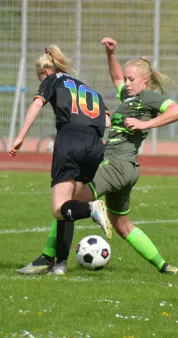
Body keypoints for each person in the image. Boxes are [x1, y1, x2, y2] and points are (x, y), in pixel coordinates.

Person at [23, 37, 178, 276]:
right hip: (128, 170)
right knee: (123, 226)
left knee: (67, 201)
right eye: (127, 79)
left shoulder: (147, 98)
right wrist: (111, 54)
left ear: (145, 81)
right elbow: (117, 77)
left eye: (132, 80)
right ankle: (164, 265)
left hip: (115, 165)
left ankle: (49, 258)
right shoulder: (129, 97)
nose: (127, 84)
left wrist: (146, 124)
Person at [8, 45, 114, 275]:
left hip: (70, 141)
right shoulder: (89, 89)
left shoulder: (53, 78)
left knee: (59, 209)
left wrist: (20, 137)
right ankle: (59, 265)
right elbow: (107, 122)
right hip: (95, 145)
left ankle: (92, 209)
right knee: (68, 206)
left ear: (45, 72)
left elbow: (37, 104)